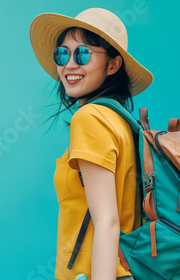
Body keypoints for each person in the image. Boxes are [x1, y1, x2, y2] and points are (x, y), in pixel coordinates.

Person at [29, 8, 154, 280]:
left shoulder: (90, 119)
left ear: (112, 65)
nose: (69, 65)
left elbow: (107, 222)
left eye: (82, 53)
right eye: (62, 53)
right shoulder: (122, 122)